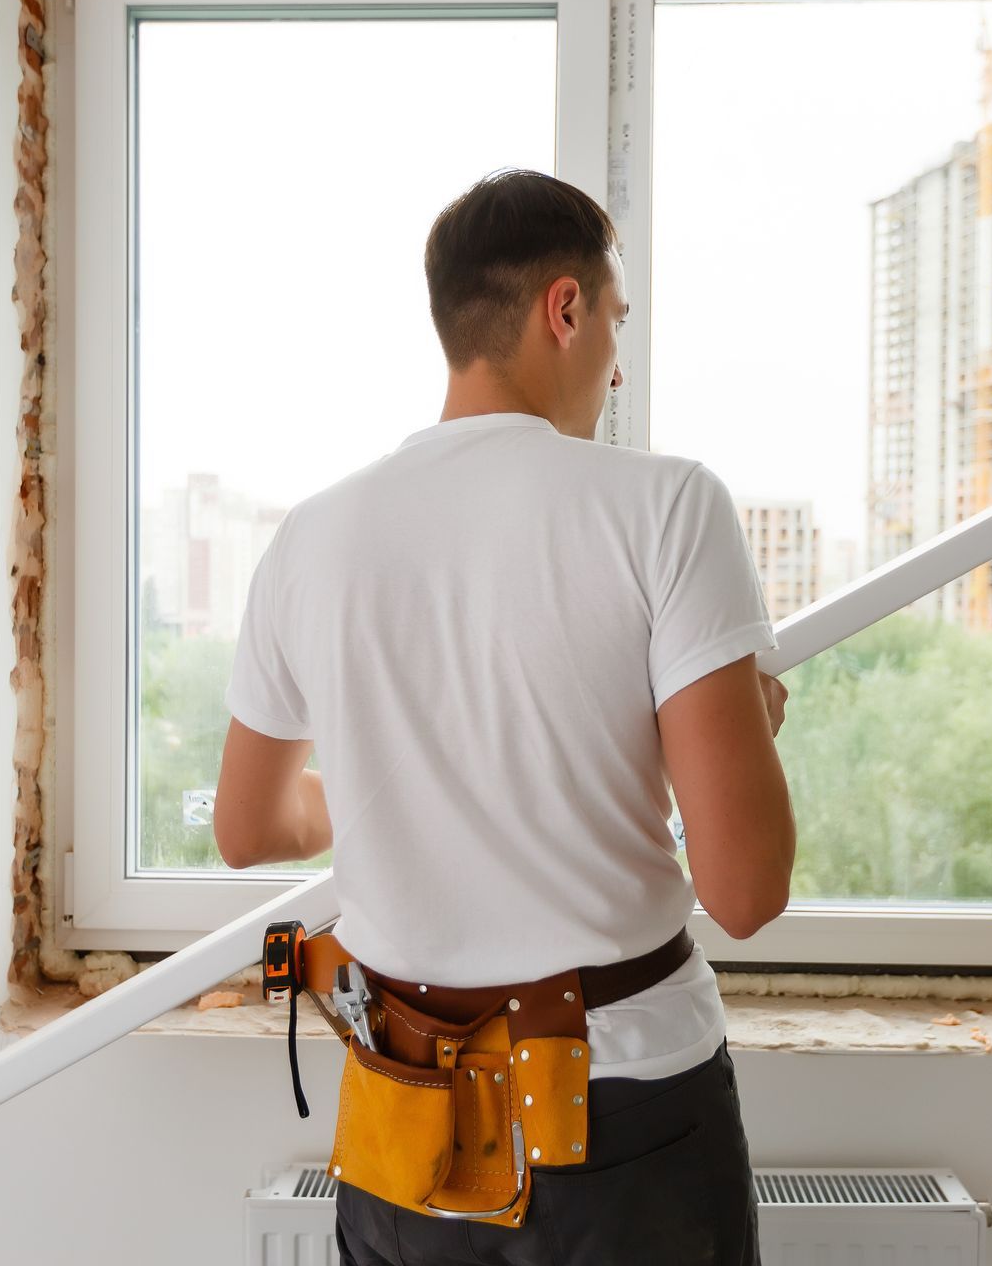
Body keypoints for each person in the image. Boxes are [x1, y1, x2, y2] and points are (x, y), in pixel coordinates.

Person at [212, 167, 796, 1266]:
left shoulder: (311, 539)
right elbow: (748, 890)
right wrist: (741, 731)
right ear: (563, 308)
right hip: (622, 1111)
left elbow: (248, 827)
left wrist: (415, 783)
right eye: (616, 322)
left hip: (407, 1113)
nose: (617, 364)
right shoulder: (666, 507)